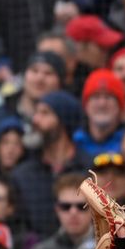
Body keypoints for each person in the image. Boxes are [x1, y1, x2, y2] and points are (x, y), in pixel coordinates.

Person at [11, 91, 90, 237]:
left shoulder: (90, 169)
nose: (35, 119)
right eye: (36, 113)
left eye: (45, 113)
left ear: (63, 121)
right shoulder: (23, 175)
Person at [72, 69, 125, 159]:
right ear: (86, 105)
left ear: (119, 106)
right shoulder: (73, 142)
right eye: (96, 97)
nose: (102, 104)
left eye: (108, 97)